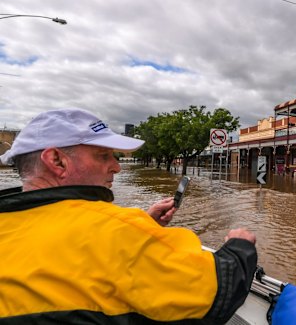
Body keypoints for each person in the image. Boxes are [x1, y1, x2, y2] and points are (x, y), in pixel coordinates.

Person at [0, 108, 257, 324]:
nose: (117, 167)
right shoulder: (117, 231)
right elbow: (219, 290)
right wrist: (240, 245)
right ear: (57, 161)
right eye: (103, 156)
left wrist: (143, 223)